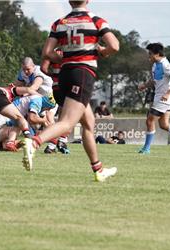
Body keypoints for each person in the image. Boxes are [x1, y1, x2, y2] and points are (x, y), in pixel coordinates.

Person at [35, 0, 120, 181]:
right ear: (88, 0)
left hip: (64, 76)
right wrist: (101, 52)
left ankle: (98, 170)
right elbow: (114, 46)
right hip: (82, 74)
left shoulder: (60, 23)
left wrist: (65, 56)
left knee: (89, 123)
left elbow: (46, 53)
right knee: (67, 123)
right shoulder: (95, 20)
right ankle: (34, 142)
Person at [41, 48, 71, 155]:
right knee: (69, 117)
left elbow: (43, 68)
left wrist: (54, 76)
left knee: (60, 116)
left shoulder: (51, 51)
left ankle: (56, 143)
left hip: (55, 88)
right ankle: (58, 142)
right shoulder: (71, 49)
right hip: (68, 86)